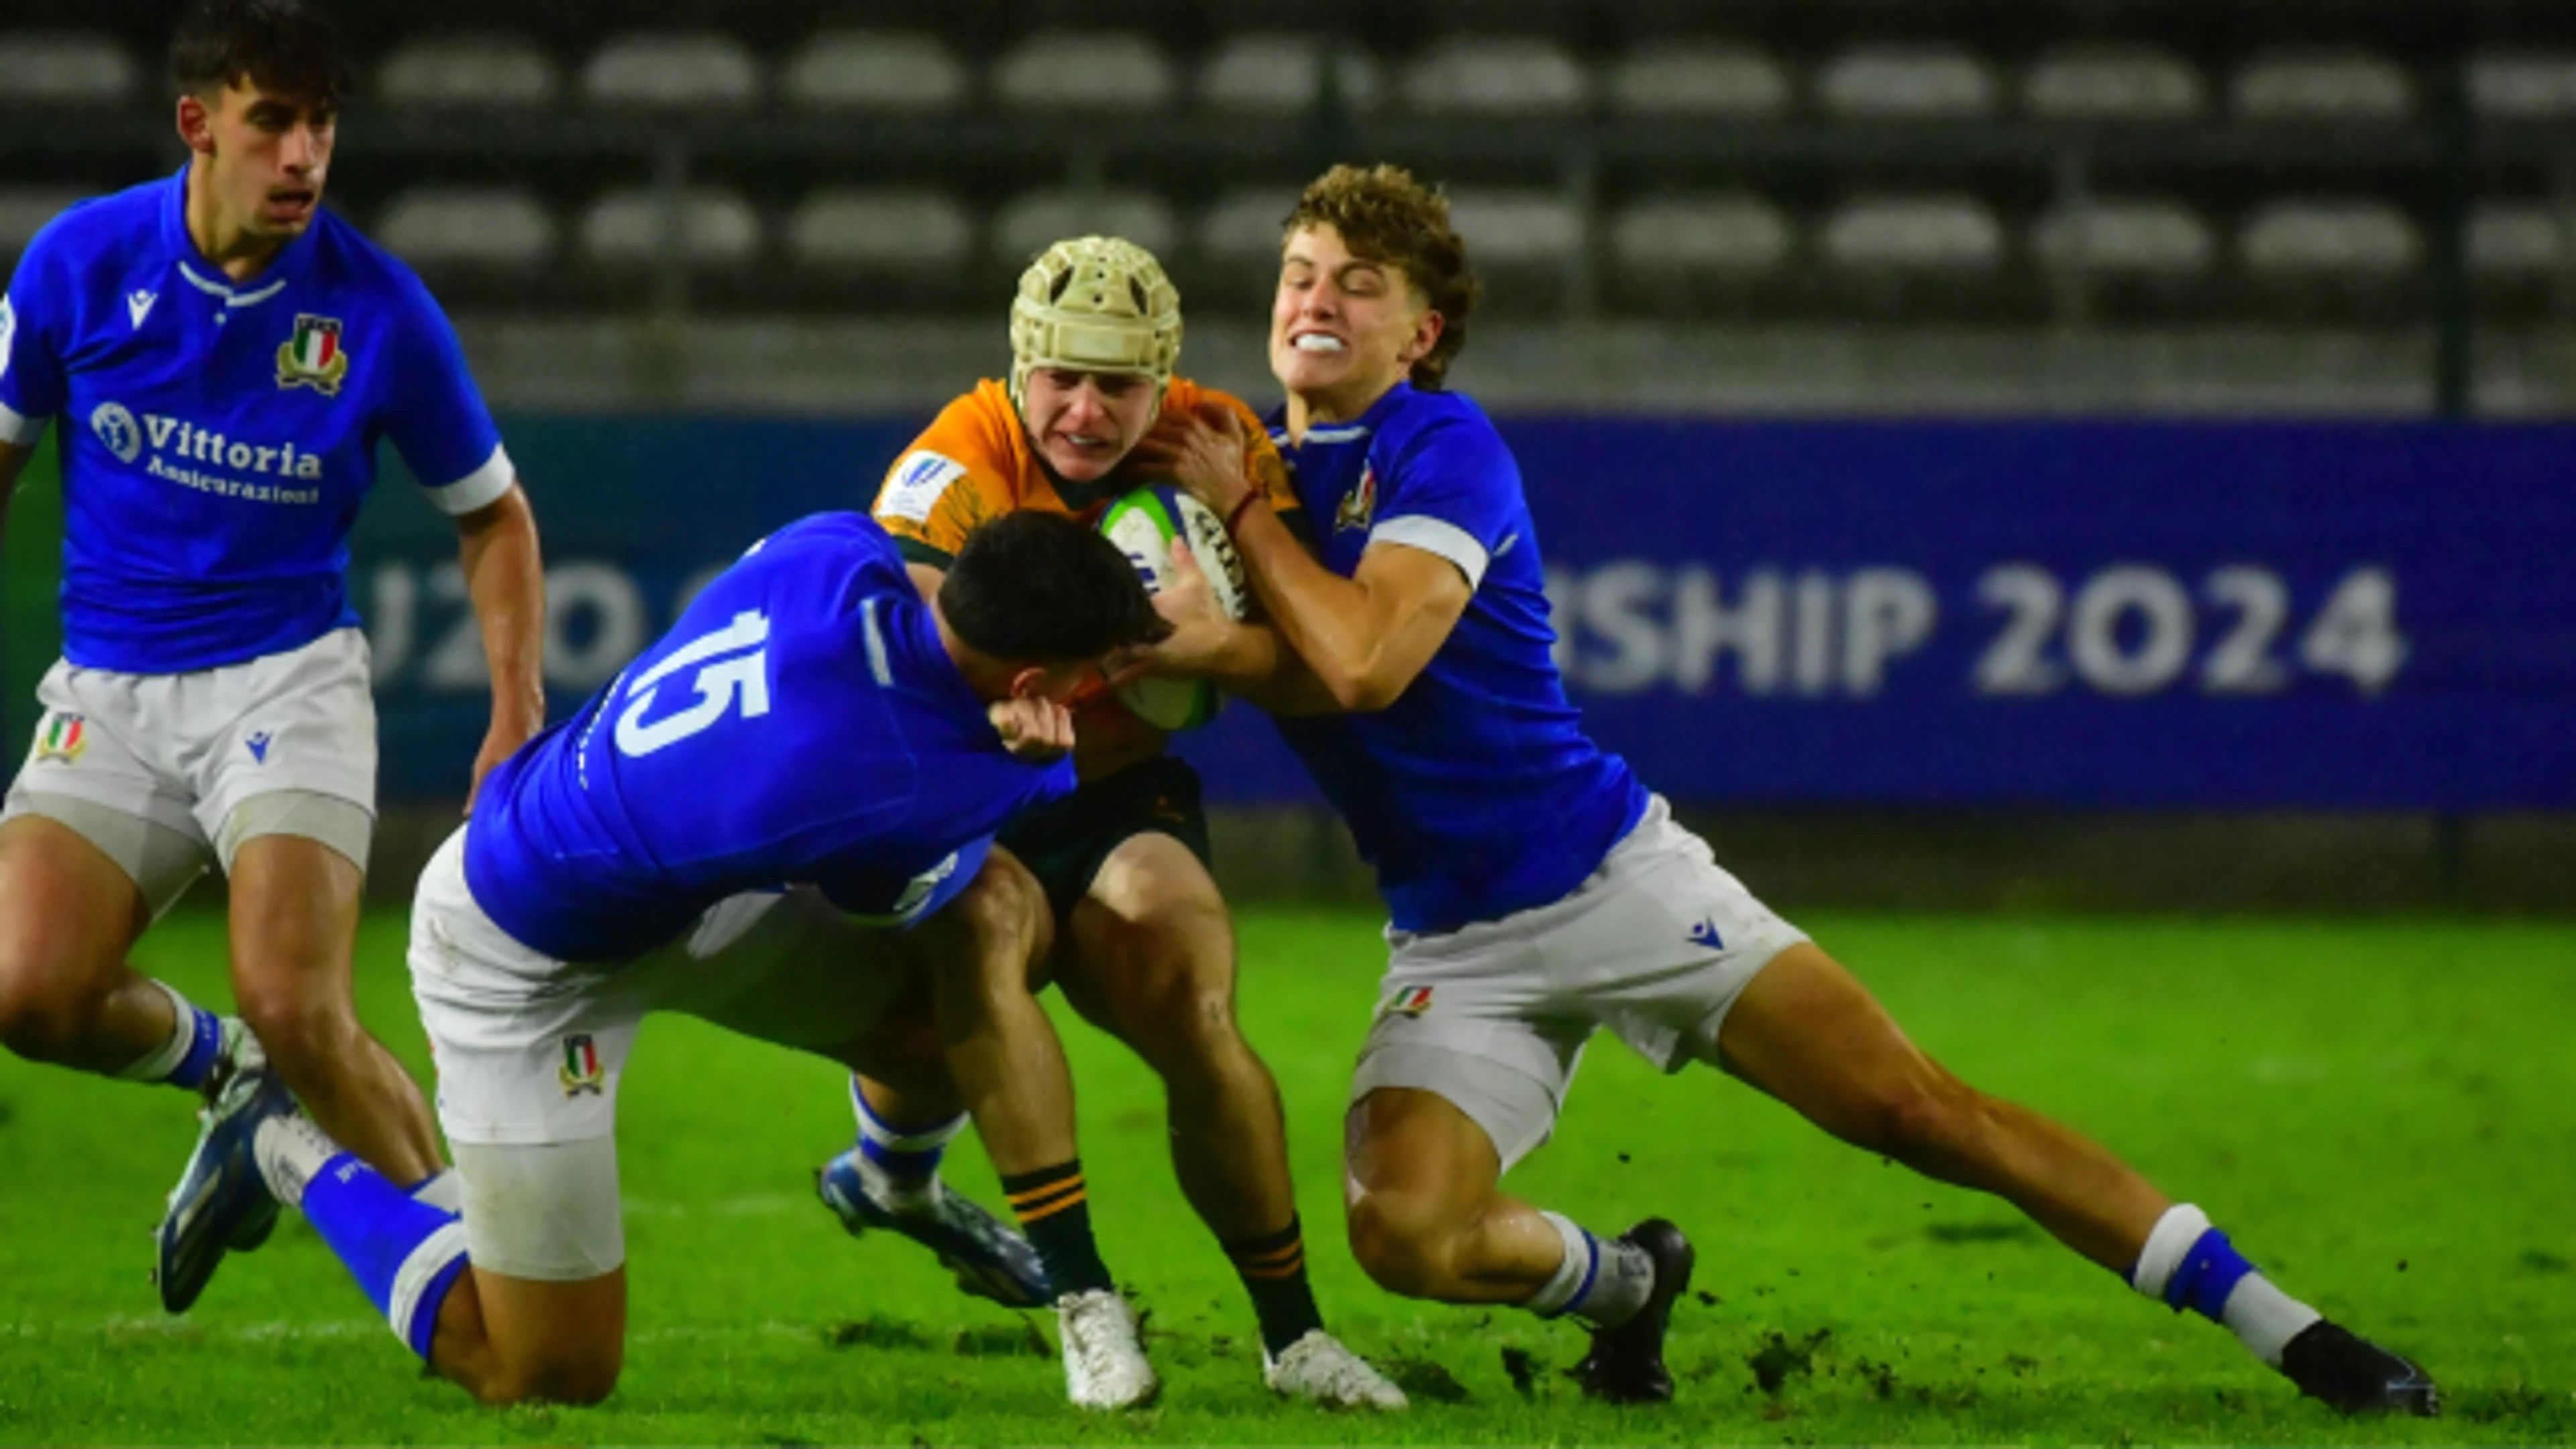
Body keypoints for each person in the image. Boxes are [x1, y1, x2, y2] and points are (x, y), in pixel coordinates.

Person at [1127, 162, 2440, 1417]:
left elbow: (1361, 666)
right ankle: (1630, 1284)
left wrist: (1236, 531)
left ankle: (2294, 1331)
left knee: (1924, 1114)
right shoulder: (1249, 470)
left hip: (1612, 878)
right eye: (1300, 272)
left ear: (1422, 331)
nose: (1316, 297)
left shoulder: (1437, 447)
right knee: (1403, 1236)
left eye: (1360, 281)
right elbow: (1281, 656)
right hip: (1453, 938)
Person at [168, 509, 1177, 1409]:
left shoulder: (834, 547)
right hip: (521, 959)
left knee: (952, 1023)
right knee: (546, 1374)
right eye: (1086, 681)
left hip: (692, 898)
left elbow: (906, 635)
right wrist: (1025, 762)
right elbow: (896, 890)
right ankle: (283, 1145)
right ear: (1035, 683)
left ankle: (891, 1182)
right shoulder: (872, 777)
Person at [0, 0, 545, 1312]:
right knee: (26, 989)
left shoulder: (379, 312)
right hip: (112, 691)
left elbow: (495, 517)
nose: (303, 156)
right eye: (272, 124)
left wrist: (513, 710)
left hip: (285, 682)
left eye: (321, 125)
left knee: (301, 999)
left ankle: (495, 1287)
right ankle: (239, 1090)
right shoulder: (76, 264)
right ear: (199, 125)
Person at [824, 235, 1403, 1409]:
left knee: (1190, 982)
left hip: (1117, 787)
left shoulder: (1217, 445)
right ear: (1018, 364)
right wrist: (1001, 706)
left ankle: (1293, 1339)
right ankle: (1084, 1303)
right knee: (973, 961)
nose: (1088, 412)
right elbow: (926, 645)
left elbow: (1309, 660)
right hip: (979, 786)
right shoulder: (959, 456)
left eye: (1119, 384)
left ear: (1165, 376)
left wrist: (1207, 644)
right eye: (1063, 380)